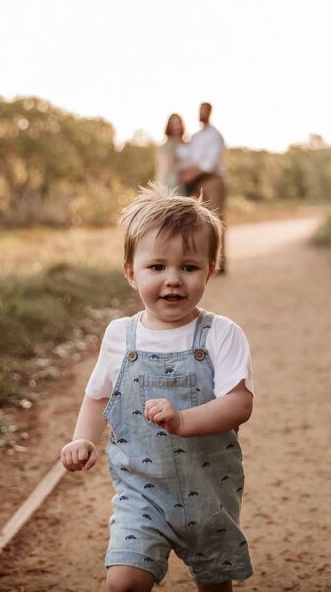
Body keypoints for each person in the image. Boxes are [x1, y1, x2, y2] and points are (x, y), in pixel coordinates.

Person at [60, 184, 254, 591]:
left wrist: (184, 420)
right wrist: (82, 438)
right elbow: (99, 394)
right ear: (131, 273)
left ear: (210, 270)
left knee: (214, 584)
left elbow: (239, 404)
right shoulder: (119, 336)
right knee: (124, 582)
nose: (173, 280)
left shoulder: (221, 334)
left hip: (209, 491)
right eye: (157, 267)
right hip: (141, 493)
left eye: (189, 267)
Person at [180, 102, 228, 272]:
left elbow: (210, 163)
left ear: (210, 113)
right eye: (200, 111)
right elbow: (188, 158)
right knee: (192, 220)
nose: (201, 114)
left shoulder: (215, 135)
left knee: (216, 220)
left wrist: (190, 175)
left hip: (212, 180)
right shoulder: (195, 137)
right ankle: (199, 261)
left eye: (204, 111)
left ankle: (220, 262)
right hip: (195, 182)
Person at [156, 113, 188, 195]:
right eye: (174, 124)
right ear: (169, 126)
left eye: (178, 123)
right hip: (174, 186)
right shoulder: (166, 147)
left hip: (190, 183)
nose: (176, 126)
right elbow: (168, 168)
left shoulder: (188, 143)